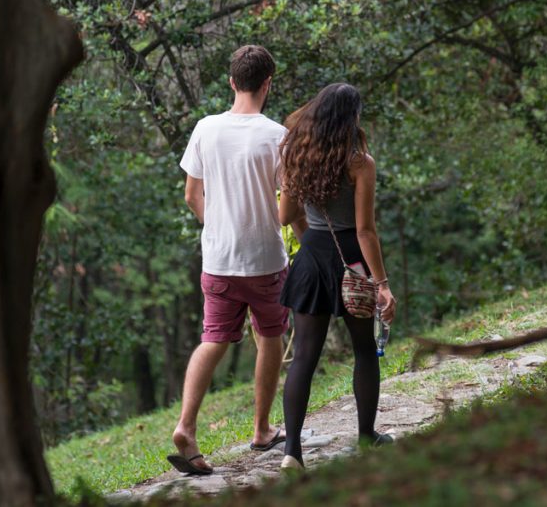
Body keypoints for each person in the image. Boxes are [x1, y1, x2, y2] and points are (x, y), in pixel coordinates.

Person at [168, 45, 298, 476]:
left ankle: (186, 426)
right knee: (272, 334)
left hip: (218, 259)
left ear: (231, 82)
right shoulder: (278, 135)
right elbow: (289, 204)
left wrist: (217, 227)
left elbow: (191, 194)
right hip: (264, 259)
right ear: (268, 84)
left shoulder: (205, 128)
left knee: (214, 339)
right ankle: (262, 429)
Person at [276, 82, 398, 472]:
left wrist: (311, 245)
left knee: (304, 357)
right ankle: (366, 436)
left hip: (311, 256)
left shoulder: (296, 155)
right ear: (351, 118)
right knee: (364, 348)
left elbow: (286, 215)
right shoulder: (361, 162)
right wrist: (382, 285)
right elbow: (365, 230)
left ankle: (291, 452)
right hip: (353, 260)